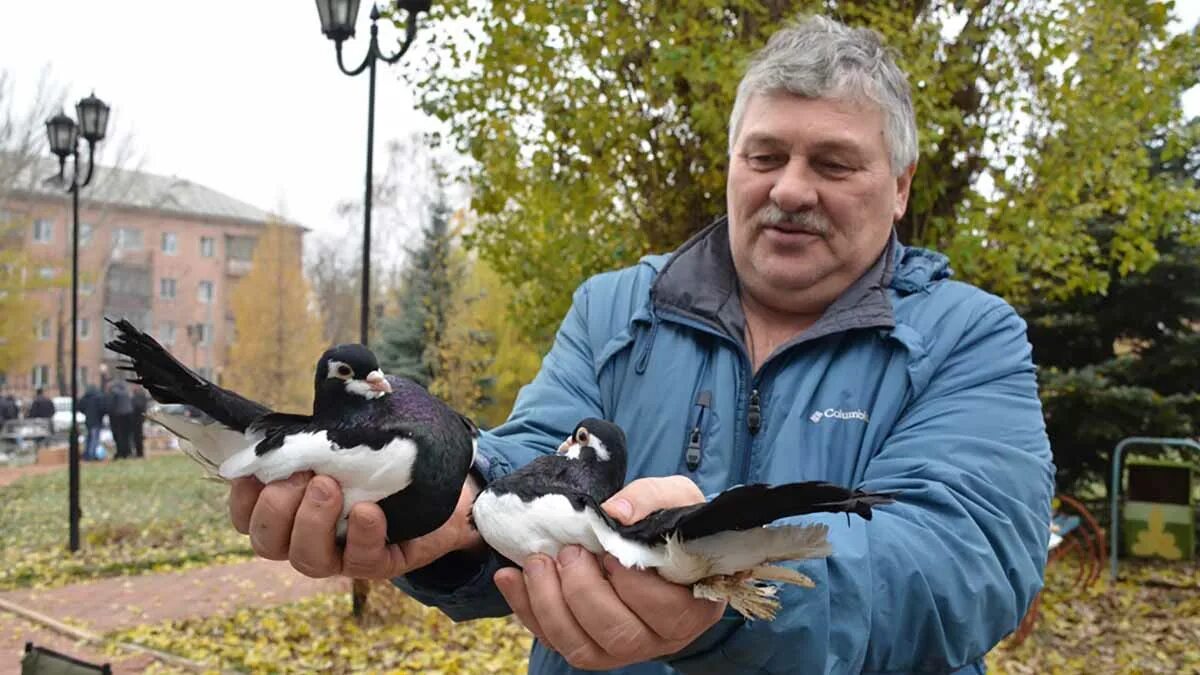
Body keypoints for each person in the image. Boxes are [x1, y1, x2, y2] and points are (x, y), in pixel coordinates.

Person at [227, 16, 1054, 674]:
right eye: (764, 155)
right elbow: (524, 463)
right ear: (733, 166)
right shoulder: (616, 307)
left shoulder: (968, 337)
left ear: (902, 185)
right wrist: (442, 504)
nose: (791, 188)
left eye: (834, 164)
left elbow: (964, 560)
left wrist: (721, 577)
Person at [105, 381, 134, 460]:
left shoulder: (113, 393)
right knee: (127, 436)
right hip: (128, 416)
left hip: (117, 417)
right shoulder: (126, 393)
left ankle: (120, 452)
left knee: (118, 436)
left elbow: (110, 406)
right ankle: (128, 452)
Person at [78, 385, 107, 461]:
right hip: (97, 421)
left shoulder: (85, 397)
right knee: (95, 439)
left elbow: (79, 406)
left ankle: (87, 454)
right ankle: (92, 455)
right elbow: (103, 408)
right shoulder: (99, 397)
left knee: (88, 438)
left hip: (88, 421)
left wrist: (86, 413)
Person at [130, 386, 149, 458]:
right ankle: (139, 452)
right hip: (139, 419)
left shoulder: (139, 397)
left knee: (138, 437)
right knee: (137, 437)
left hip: (137, 419)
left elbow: (138, 407)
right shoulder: (141, 397)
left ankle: (139, 453)